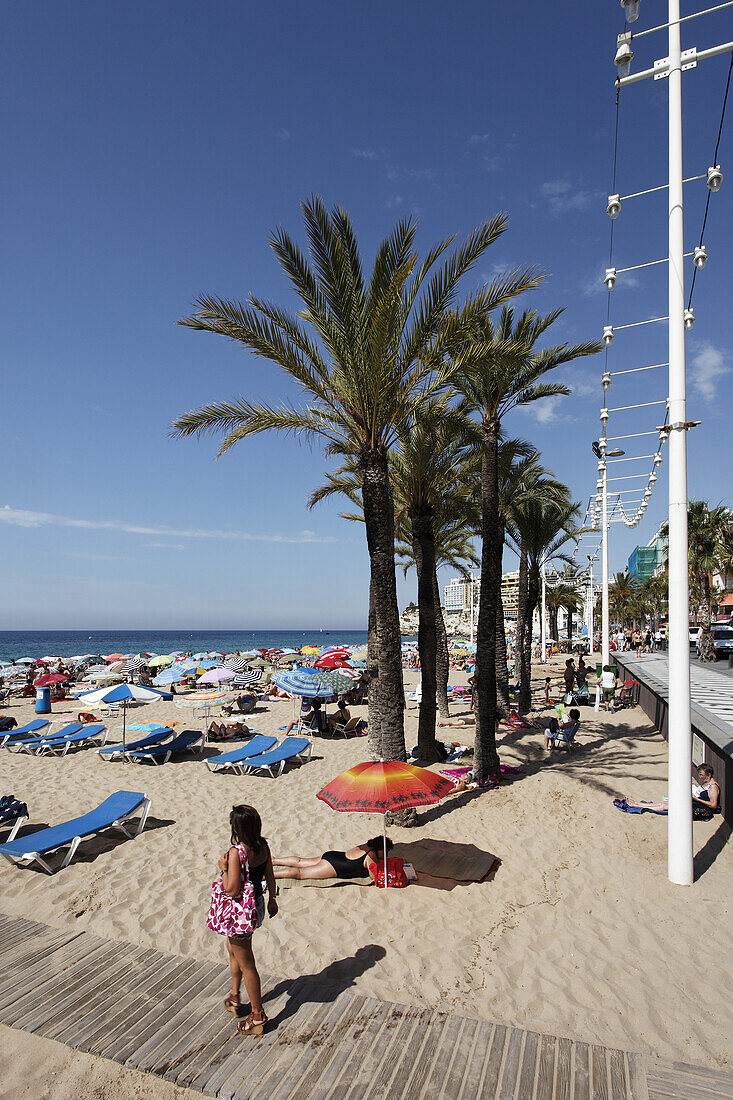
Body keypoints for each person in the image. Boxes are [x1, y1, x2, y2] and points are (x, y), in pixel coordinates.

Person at [218, 805, 278, 1036]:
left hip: (241, 912)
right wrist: (273, 899)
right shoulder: (263, 846)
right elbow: (270, 876)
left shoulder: (236, 852)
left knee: (247, 963)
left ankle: (257, 1014)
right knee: (233, 948)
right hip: (258, 906)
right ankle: (234, 995)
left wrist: (223, 869)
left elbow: (231, 890)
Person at [615, 764, 720, 815]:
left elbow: (713, 805)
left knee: (664, 805)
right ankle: (637, 804)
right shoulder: (707, 783)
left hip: (699, 807)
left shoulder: (713, 787)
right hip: (693, 801)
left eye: (702, 775)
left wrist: (697, 799)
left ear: (709, 775)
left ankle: (636, 805)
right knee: (664, 802)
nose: (700, 777)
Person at [273, 836, 389, 881]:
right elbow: (374, 876)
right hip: (335, 866)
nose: (386, 855)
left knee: (300, 861)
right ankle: (269, 875)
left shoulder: (367, 845)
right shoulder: (371, 855)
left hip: (333, 855)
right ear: (380, 848)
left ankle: (274, 860)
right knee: (300, 873)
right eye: (386, 851)